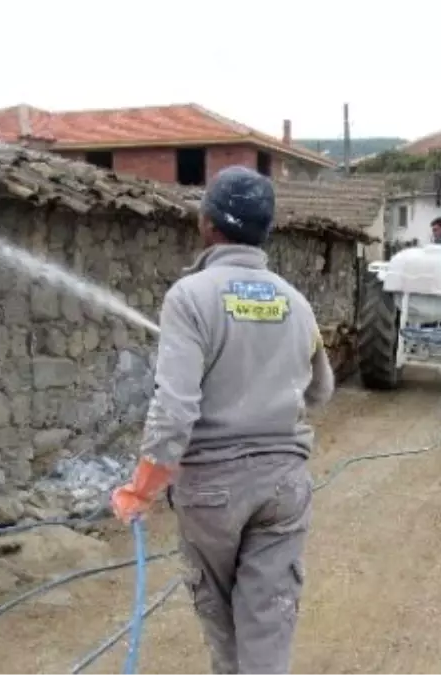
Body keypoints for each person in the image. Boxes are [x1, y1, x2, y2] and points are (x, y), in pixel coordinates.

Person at [110, 165, 335, 674]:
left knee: (224, 628)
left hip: (211, 493)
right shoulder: (296, 303)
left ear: (208, 224)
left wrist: (141, 491)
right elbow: (321, 390)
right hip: (283, 488)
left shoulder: (189, 298)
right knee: (267, 627)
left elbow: (174, 413)